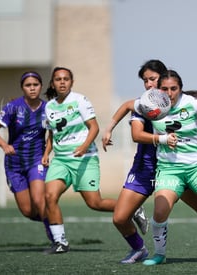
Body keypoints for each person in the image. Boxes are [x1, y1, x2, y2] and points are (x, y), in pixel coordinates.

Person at [102, 60, 197, 264]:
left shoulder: (183, 101)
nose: (149, 85)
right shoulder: (146, 103)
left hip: (183, 166)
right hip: (150, 167)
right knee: (120, 217)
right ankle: (141, 249)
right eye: (145, 81)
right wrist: (109, 128)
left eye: (153, 79)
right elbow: (132, 123)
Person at [42, 67, 147, 254]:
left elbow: (94, 127)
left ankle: (135, 209)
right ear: (52, 83)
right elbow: (51, 133)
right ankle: (60, 242)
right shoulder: (49, 107)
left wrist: (83, 147)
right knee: (49, 197)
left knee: (94, 203)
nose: (62, 82)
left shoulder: (80, 100)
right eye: (58, 79)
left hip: (85, 158)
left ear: (71, 82)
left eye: (66, 79)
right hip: (61, 161)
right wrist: (46, 153)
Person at [0, 71, 53, 243]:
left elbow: (52, 135)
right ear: (22, 88)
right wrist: (4, 145)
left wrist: (46, 154)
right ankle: (53, 219)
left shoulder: (48, 108)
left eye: (35, 85)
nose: (32, 88)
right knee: (28, 211)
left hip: (36, 160)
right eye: (28, 85)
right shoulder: (13, 107)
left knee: (39, 200)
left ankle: (56, 236)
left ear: (41, 86)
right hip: (14, 164)